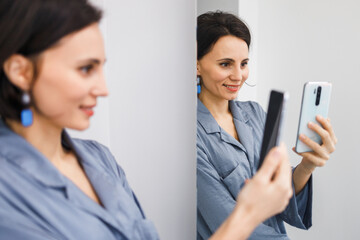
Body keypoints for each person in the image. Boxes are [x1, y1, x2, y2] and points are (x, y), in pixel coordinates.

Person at [0, 1, 294, 239]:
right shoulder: (7, 191)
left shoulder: (100, 159)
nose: (103, 89)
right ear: (21, 71)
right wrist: (248, 215)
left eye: (102, 68)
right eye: (85, 69)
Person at [196, 11, 337, 240]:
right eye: (225, 64)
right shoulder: (191, 138)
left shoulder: (255, 114)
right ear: (197, 65)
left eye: (244, 64)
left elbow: (280, 201)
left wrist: (307, 165)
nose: (238, 75)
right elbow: (226, 224)